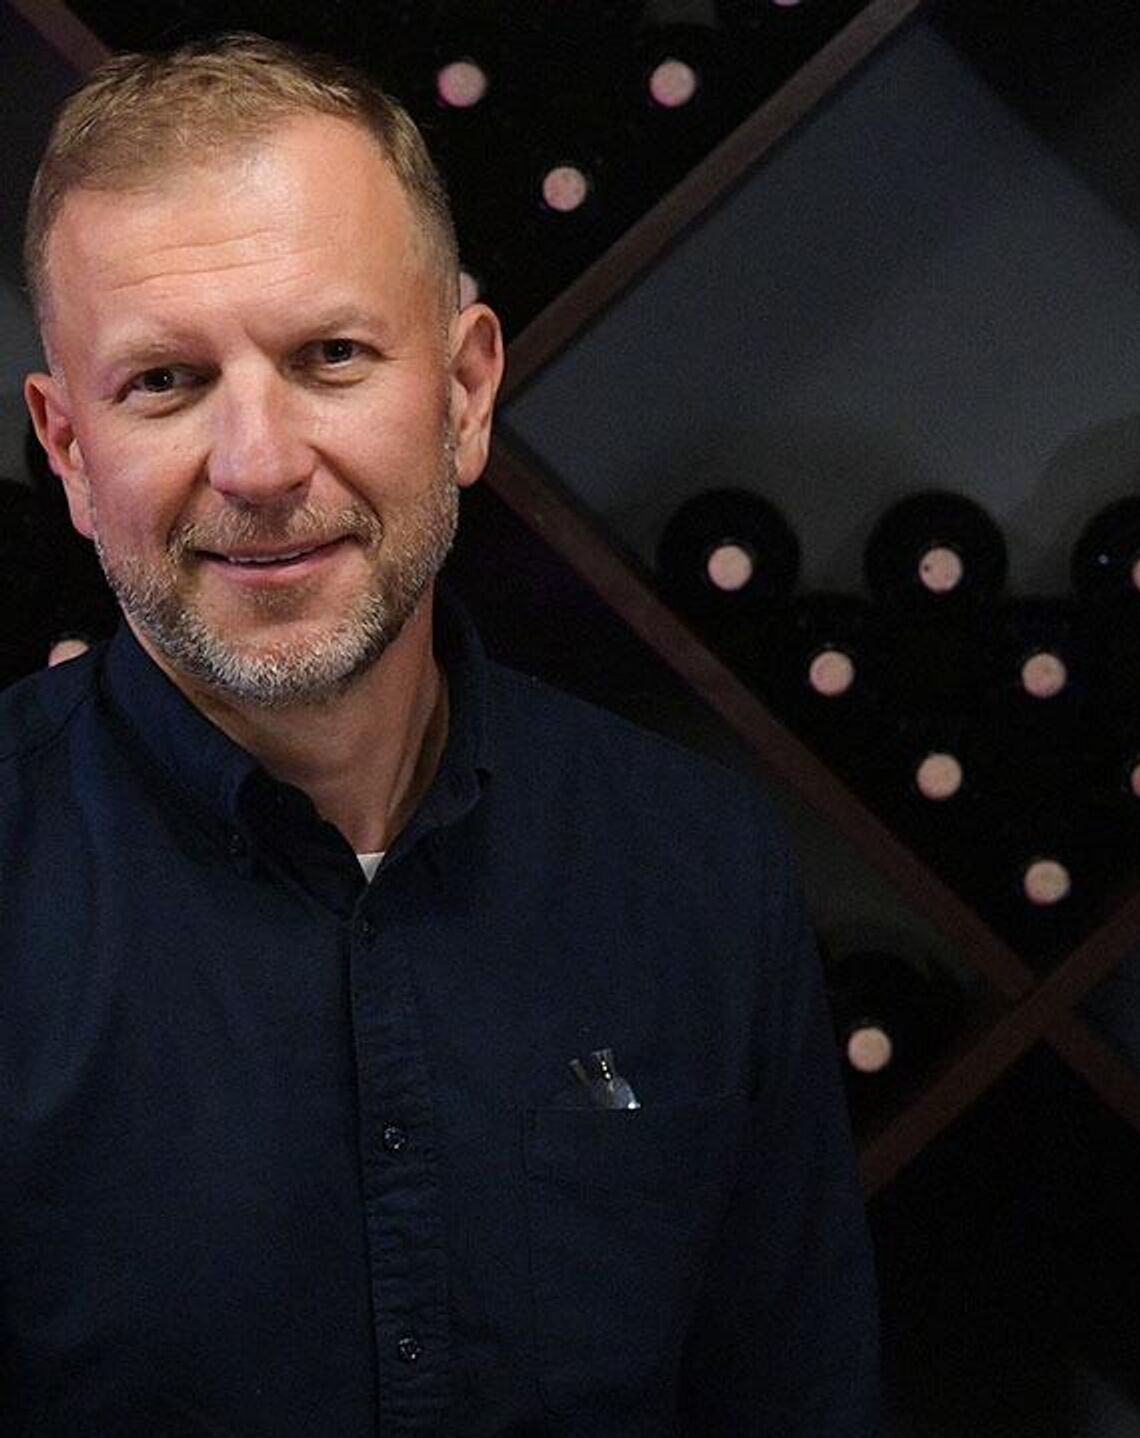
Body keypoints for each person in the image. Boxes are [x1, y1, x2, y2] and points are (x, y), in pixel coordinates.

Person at [1, 33, 878, 1435]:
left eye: (330, 357)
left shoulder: (699, 867)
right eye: (164, 381)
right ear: (67, 452)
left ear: (465, 394)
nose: (260, 464)